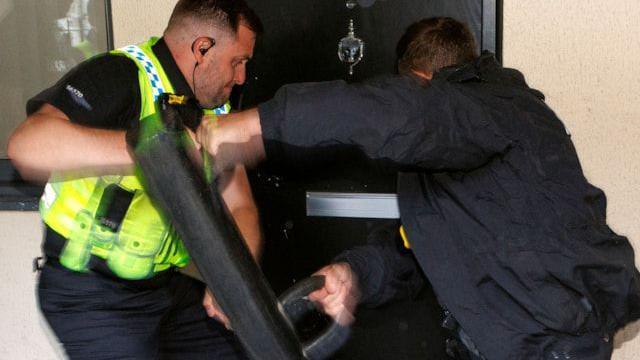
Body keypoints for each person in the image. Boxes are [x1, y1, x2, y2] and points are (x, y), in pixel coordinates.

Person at [196, 17, 640, 359]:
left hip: (547, 346)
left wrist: (256, 124)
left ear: (420, 83)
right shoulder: (469, 146)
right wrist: (354, 274)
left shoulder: (493, 111)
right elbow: (417, 250)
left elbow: (397, 115)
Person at [7, 0, 263, 358]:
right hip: (91, 293)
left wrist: (230, 283)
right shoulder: (121, 75)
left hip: (165, 288)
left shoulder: (212, 110)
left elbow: (241, 207)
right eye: (238, 62)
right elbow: (27, 146)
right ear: (202, 48)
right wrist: (156, 152)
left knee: (244, 348)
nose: (241, 78)